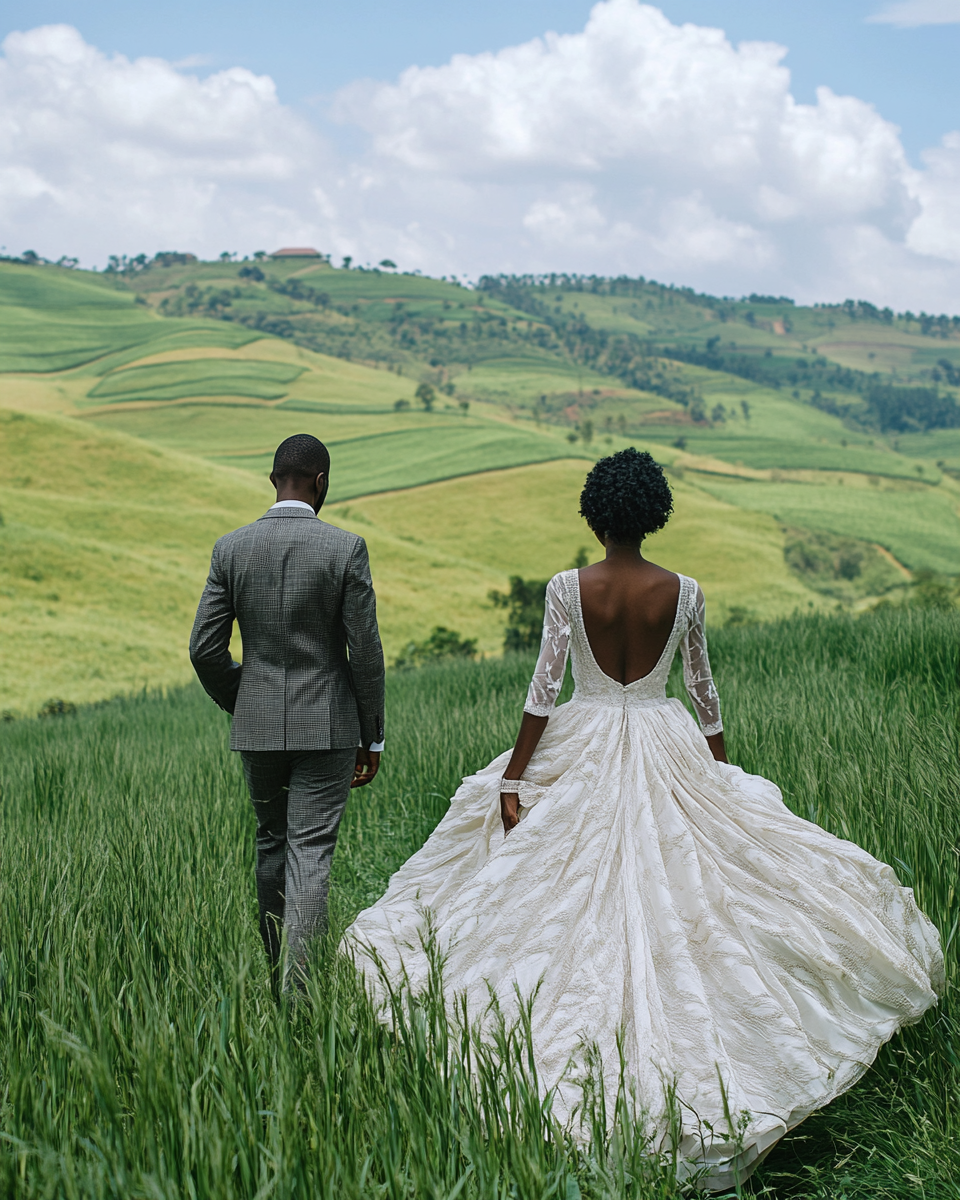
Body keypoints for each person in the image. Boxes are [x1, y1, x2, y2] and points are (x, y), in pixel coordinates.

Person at [344, 448, 943, 1190]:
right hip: (665, 738)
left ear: (596, 514)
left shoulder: (569, 587)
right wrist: (720, 771)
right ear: (653, 513)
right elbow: (702, 688)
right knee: (690, 889)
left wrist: (517, 772)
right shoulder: (684, 590)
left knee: (556, 891)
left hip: (585, 733)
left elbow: (542, 691)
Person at [191, 433, 384, 994]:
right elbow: (364, 651)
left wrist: (244, 697)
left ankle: (277, 974)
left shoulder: (230, 549)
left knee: (271, 841)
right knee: (311, 851)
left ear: (273, 478)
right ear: (320, 481)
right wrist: (370, 736)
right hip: (328, 726)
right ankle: (299, 997)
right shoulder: (345, 549)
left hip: (256, 726)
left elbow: (203, 649)